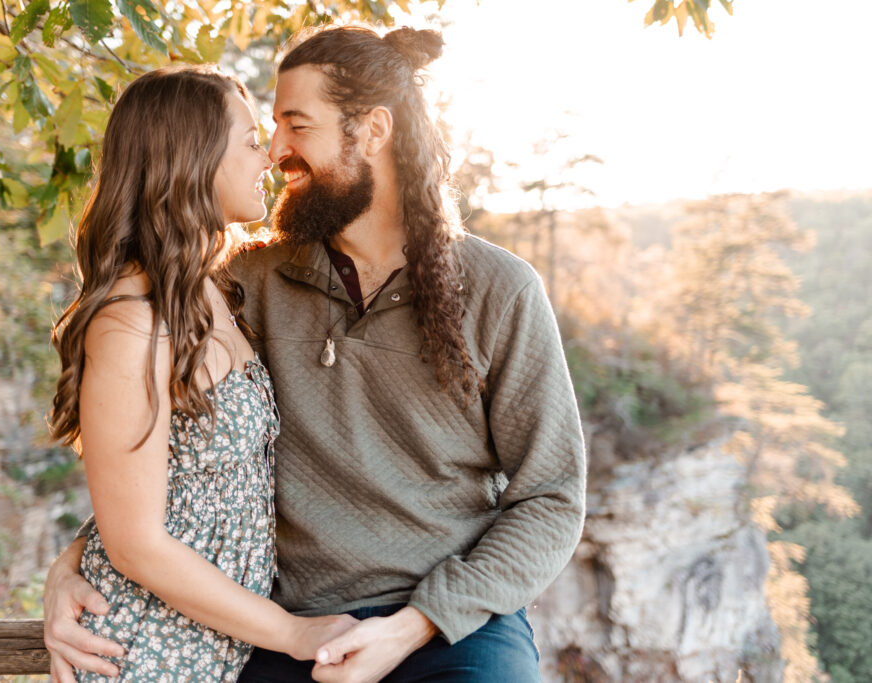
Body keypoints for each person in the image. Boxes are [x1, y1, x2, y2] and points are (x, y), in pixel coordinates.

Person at [44, 26, 586, 683]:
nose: (275, 151)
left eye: (295, 125)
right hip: (289, 631)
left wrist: (416, 624)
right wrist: (75, 561)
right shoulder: (247, 283)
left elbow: (552, 497)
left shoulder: (500, 290)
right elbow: (173, 454)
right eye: (265, 130)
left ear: (372, 132)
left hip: (453, 627)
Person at [46, 64, 358, 683]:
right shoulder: (131, 322)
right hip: (150, 653)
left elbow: (167, 480)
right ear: (190, 158)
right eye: (248, 141)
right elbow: (135, 541)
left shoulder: (215, 290)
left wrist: (70, 558)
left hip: (223, 647)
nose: (268, 156)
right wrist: (293, 632)